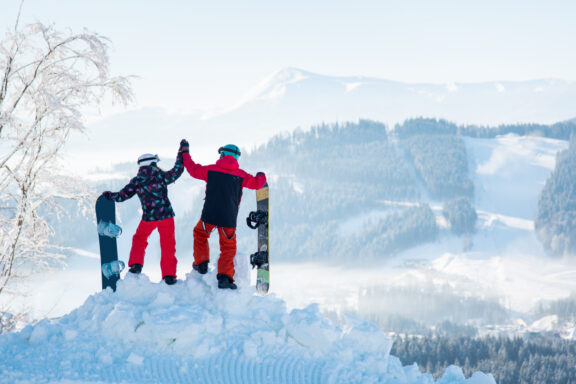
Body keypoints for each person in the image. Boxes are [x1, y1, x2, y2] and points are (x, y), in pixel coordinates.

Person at [179, 139, 267, 289]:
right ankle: (225, 278)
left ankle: (201, 264)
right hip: (228, 218)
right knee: (228, 248)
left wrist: (185, 153)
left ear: (222, 154)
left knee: (200, 234)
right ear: (236, 157)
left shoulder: (210, 170)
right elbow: (258, 184)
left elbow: (192, 169)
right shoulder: (241, 175)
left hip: (209, 215)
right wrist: (261, 175)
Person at [101, 147, 184, 285]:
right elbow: (177, 170)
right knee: (168, 245)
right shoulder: (161, 176)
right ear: (153, 163)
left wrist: (110, 195)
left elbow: (122, 196)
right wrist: (182, 152)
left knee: (139, 239)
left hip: (149, 218)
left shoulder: (137, 180)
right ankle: (169, 275)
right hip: (166, 216)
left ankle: (136, 265)